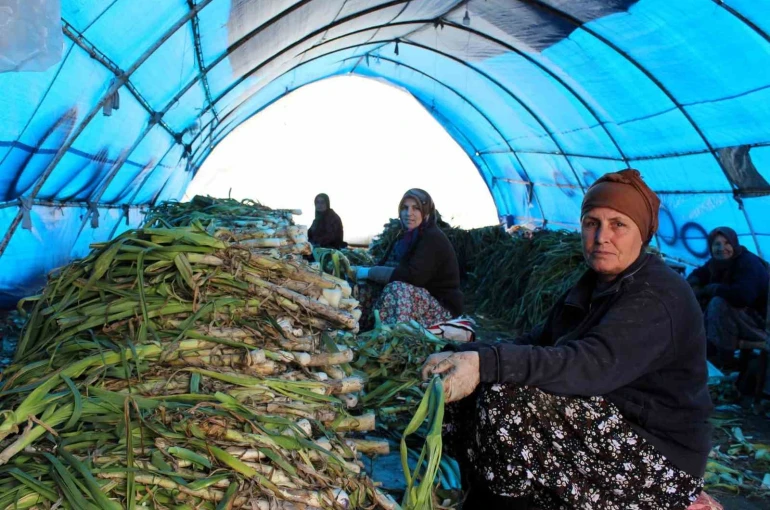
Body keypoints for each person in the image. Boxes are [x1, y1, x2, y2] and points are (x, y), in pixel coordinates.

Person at [421, 170, 712, 509]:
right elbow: (538, 340)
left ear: (643, 234)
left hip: (659, 455)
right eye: (592, 223)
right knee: (468, 389)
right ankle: (485, 494)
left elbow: (589, 365)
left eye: (619, 224)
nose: (602, 236)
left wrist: (487, 363)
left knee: (508, 399)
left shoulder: (659, 295)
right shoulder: (592, 283)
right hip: (603, 420)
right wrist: (463, 354)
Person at [353, 188, 462, 330]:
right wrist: (363, 274)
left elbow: (413, 277)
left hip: (440, 306)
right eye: (405, 208)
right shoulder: (403, 237)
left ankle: (390, 337)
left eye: (416, 208)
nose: (408, 213)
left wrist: (370, 272)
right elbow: (386, 264)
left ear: (426, 211)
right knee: (363, 287)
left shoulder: (432, 238)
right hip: (415, 300)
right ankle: (358, 328)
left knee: (397, 289)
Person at [687, 227, 768, 367]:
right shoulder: (716, 264)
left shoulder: (747, 262)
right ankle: (703, 346)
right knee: (696, 299)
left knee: (718, 304)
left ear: (734, 243)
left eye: (727, 243)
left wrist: (714, 289)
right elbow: (700, 273)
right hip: (741, 316)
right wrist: (694, 284)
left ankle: (725, 358)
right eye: (716, 244)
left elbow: (743, 296)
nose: (722, 248)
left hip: (759, 321)